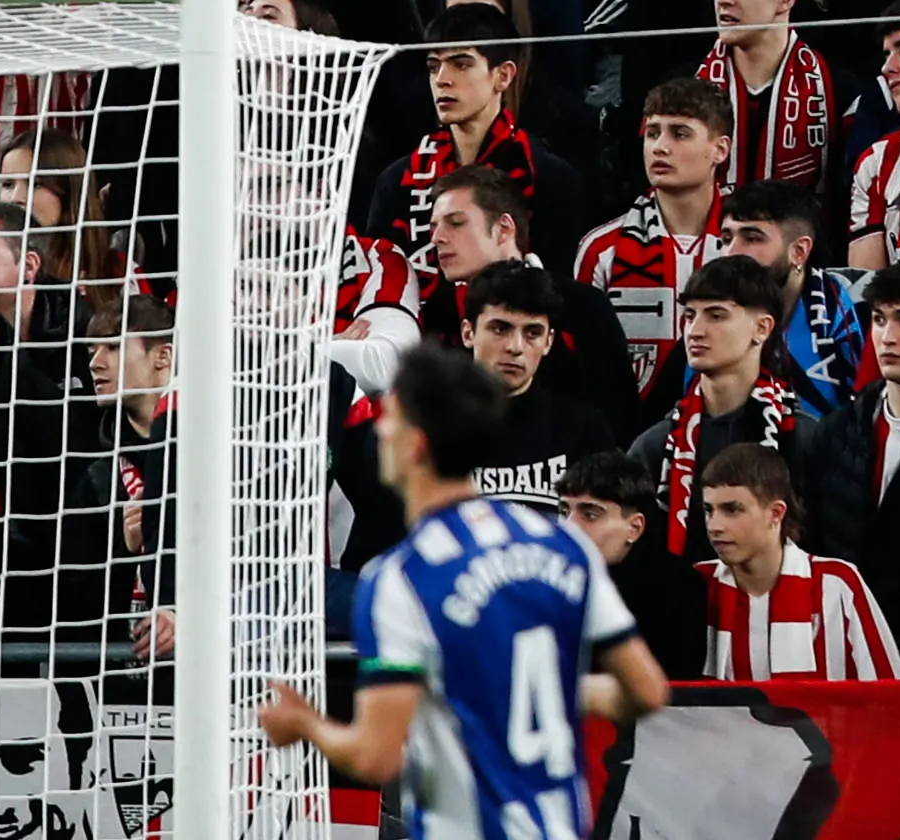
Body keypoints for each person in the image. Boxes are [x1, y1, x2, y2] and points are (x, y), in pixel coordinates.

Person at [260, 346, 675, 822]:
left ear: (416, 443)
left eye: (389, 419)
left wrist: (305, 725)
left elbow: (376, 756)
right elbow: (647, 690)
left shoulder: (402, 579)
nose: (379, 430)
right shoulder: (561, 546)